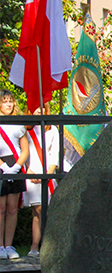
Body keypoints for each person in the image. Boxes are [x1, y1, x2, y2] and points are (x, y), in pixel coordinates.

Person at [23, 104, 59, 258]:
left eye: (42, 107)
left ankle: (45, 246)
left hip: (47, 175)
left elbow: (54, 153)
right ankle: (35, 247)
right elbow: (22, 152)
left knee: (45, 211)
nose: (39, 110)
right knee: (37, 211)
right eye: (35, 107)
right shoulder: (26, 130)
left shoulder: (52, 130)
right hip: (31, 173)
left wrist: (48, 174)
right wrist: (30, 172)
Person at [0, 90, 29, 260]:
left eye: (10, 101)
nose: (9, 105)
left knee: (12, 208)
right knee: (1, 208)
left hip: (15, 165)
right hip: (1, 166)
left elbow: (24, 149)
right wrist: (4, 167)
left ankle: (9, 245)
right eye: (5, 101)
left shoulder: (19, 123)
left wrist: (17, 166)